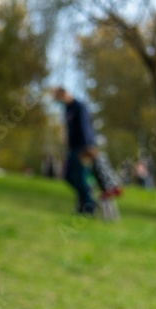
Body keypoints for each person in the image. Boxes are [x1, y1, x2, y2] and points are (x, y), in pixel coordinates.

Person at [52, 87, 97, 215]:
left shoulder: (79, 106)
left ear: (64, 94)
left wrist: (88, 146)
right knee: (69, 177)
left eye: (57, 98)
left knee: (80, 177)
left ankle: (89, 207)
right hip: (72, 148)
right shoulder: (67, 109)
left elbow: (85, 126)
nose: (57, 102)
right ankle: (85, 202)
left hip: (83, 148)